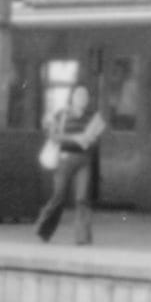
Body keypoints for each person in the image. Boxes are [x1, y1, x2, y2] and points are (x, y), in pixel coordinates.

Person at [35, 88, 108, 245]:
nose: (83, 99)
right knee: (59, 195)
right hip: (65, 159)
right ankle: (43, 229)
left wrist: (89, 140)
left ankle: (82, 238)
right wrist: (75, 138)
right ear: (72, 98)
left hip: (84, 160)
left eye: (85, 96)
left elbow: (95, 140)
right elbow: (53, 136)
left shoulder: (92, 117)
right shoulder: (62, 115)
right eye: (79, 96)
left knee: (82, 198)